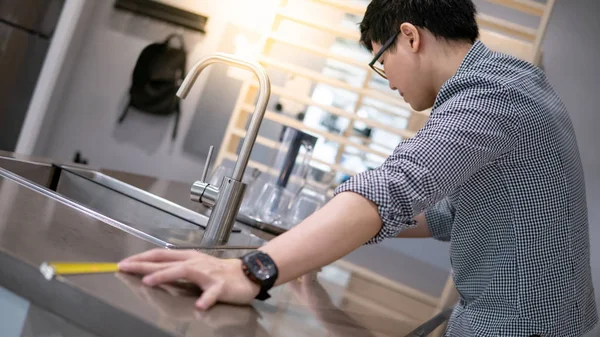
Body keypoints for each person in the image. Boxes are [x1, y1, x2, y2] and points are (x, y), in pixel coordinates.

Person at [118, 0, 599, 336]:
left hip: (518, 325)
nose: (387, 80)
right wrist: (319, 233)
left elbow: (395, 186)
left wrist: (254, 270)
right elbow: (449, 214)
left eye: (380, 59)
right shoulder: (513, 80)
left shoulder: (491, 96)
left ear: (409, 37)